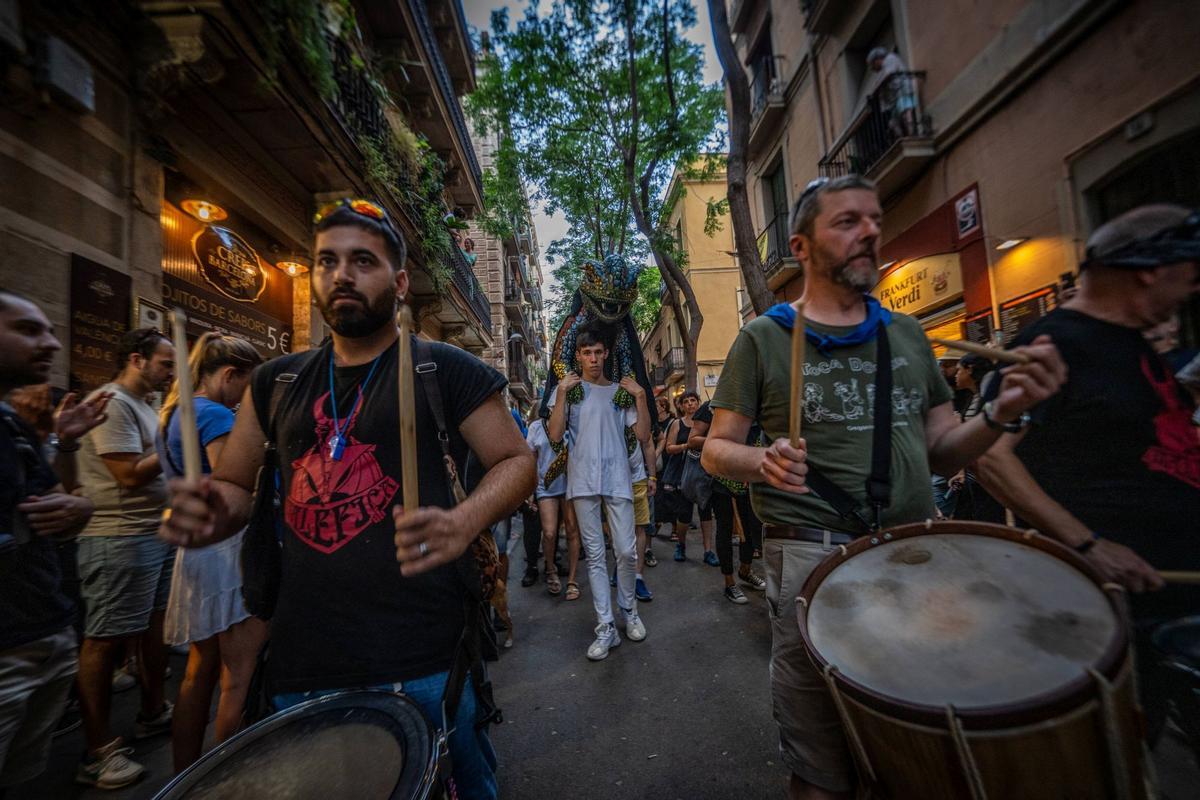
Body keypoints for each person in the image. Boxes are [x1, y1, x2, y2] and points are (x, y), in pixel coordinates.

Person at [701, 174, 1065, 800]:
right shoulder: (764, 338)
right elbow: (715, 449)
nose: (869, 230)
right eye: (847, 221)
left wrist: (1000, 414)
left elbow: (944, 445)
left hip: (910, 553)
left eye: (873, 219)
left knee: (916, 746)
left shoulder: (907, 334)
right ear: (801, 247)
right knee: (822, 767)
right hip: (810, 557)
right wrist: (762, 460)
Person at [159, 197, 535, 799]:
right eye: (327, 261)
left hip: (428, 656)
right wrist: (210, 513)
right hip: (305, 660)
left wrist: (465, 520)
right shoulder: (274, 382)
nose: (342, 274)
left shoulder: (445, 369)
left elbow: (516, 462)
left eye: (363, 260)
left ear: (401, 282)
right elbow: (233, 486)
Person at [977, 204, 1200, 746]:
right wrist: (1091, 543)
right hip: (1104, 611)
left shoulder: (1133, 346)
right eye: (1190, 275)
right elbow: (991, 457)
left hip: (1169, 599)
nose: (1191, 291)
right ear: (1151, 268)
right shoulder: (1055, 345)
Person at [0, 291, 107, 792]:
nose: (51, 343)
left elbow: (62, 506)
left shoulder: (13, 430)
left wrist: (66, 450)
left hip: (44, 627)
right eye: (29, 330)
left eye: (48, 328)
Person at [156, 333, 268, 773]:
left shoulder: (174, 412)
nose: (249, 396)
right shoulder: (218, 416)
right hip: (227, 549)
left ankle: (185, 773)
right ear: (229, 375)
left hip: (196, 553)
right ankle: (231, 775)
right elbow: (235, 485)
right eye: (248, 384)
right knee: (237, 676)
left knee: (196, 674)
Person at [74, 326, 177, 787]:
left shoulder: (145, 406)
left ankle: (153, 710)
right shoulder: (113, 403)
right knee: (104, 641)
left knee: (153, 628)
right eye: (165, 363)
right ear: (137, 359)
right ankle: (99, 750)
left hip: (152, 533)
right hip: (117, 536)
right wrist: (172, 443)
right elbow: (128, 475)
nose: (171, 372)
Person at [548, 323, 650, 661]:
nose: (592, 358)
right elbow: (554, 435)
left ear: (606, 354)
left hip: (618, 478)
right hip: (583, 482)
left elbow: (645, 436)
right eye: (586, 353)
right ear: (578, 356)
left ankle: (629, 610)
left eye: (597, 352)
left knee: (625, 551)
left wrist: (641, 396)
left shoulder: (621, 392)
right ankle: (605, 626)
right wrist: (560, 393)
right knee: (594, 555)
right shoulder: (569, 391)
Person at [689, 401, 765, 603]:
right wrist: (721, 443)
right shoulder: (712, 406)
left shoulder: (758, 403)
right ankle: (729, 583)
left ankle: (745, 571)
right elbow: (693, 440)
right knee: (725, 529)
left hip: (751, 479)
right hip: (722, 480)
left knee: (751, 531)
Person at [526, 413, 581, 599]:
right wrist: (529, 491)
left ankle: (572, 580)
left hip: (571, 485)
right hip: (545, 487)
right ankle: (550, 570)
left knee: (573, 530)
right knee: (549, 533)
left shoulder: (573, 423)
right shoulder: (536, 427)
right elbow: (531, 460)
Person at [947, 353, 1006, 523]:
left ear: (970, 369)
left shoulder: (988, 396)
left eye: (959, 370)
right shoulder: (972, 398)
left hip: (990, 470)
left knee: (991, 517)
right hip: (976, 472)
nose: (957, 375)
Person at [661, 391, 716, 565]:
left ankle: (708, 551)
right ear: (681, 406)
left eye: (693, 400)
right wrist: (686, 445)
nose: (690, 404)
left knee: (705, 512)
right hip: (683, 473)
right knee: (684, 514)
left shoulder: (707, 422)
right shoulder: (677, 424)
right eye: (686, 401)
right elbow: (668, 448)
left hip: (704, 471)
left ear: (699, 403)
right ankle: (681, 545)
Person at [866, 46, 916, 137]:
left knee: (906, 113)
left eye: (872, 65)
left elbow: (888, 74)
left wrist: (877, 87)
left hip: (902, 91)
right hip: (895, 97)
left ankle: (911, 134)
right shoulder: (883, 68)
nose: (873, 68)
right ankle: (904, 137)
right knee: (893, 123)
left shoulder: (890, 59)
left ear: (877, 60)